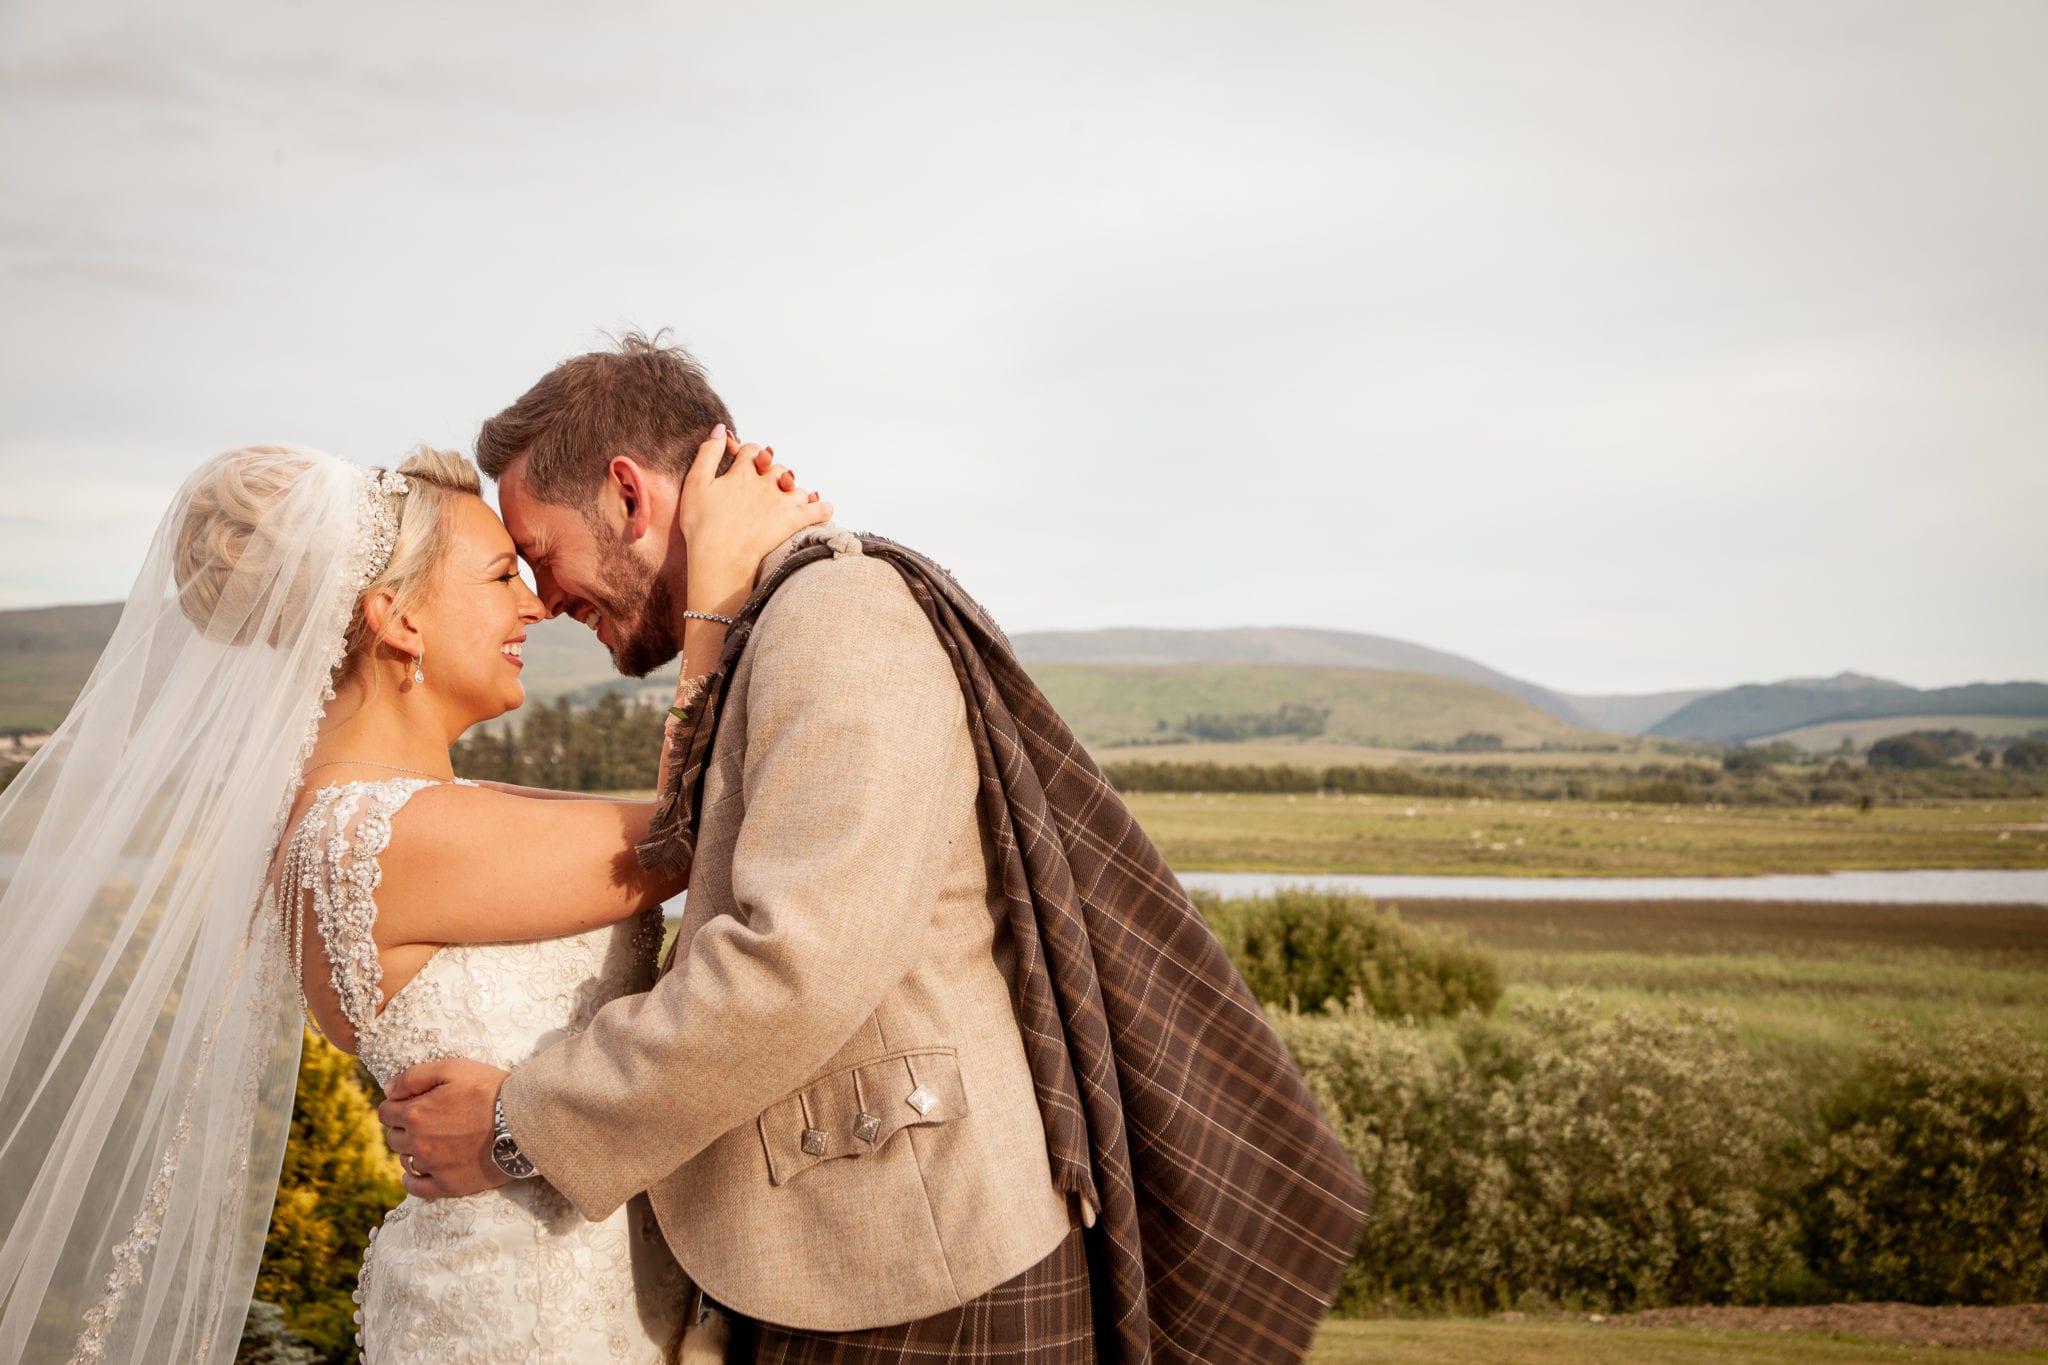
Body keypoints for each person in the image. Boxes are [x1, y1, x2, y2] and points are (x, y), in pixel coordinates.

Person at [381, 335, 1368, 1364]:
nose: (543, 600)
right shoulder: (771, 621)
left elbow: (794, 968)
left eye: (540, 553)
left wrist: (520, 1124)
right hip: (852, 1253)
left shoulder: (835, 616)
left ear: (628, 495)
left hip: (918, 1275)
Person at [0, 433, 826, 1364]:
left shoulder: (399, 813)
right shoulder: (374, 836)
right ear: (395, 620)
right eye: (499, 576)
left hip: (562, 1294)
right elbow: (697, 830)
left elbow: (672, 818)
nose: (533, 604)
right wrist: (717, 582)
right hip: (527, 1323)